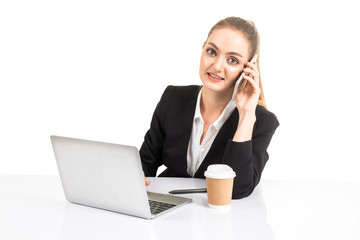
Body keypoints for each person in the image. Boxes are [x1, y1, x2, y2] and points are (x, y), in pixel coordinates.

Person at [140, 16, 279, 199]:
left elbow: (236, 190)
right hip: (167, 209)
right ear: (203, 48)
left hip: (221, 219)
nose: (217, 66)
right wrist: (137, 176)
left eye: (232, 60)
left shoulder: (261, 121)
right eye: (212, 52)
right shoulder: (172, 99)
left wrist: (246, 116)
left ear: (248, 68)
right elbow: (145, 164)